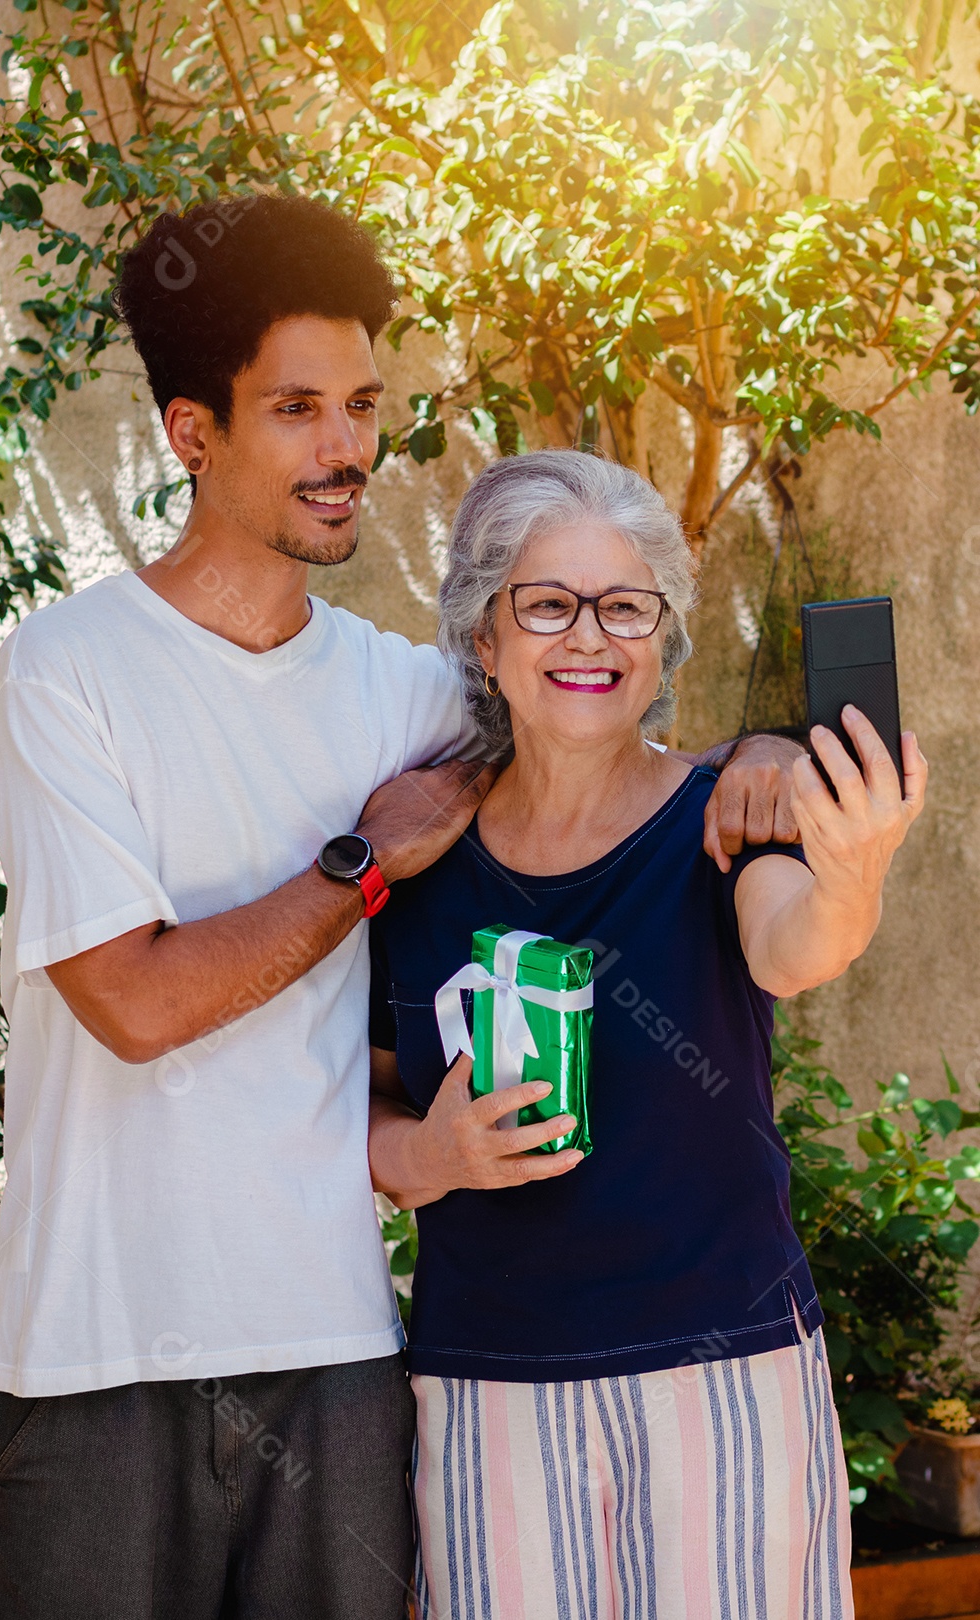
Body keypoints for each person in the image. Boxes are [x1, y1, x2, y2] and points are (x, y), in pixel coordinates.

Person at [0, 195, 803, 1620]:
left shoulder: (408, 696)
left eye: (360, 405)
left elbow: (603, 744)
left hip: (342, 1356)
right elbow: (137, 1002)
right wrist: (361, 865)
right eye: (295, 409)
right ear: (192, 430)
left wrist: (766, 757)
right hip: (100, 1357)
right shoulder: (66, 674)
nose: (346, 448)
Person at [368, 451, 926, 1620]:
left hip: (723, 1378)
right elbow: (362, 1100)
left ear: (662, 636)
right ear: (483, 635)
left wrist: (857, 864)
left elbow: (798, 946)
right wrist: (432, 1157)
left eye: (628, 606)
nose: (591, 639)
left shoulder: (727, 815)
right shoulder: (417, 860)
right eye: (548, 604)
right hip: (489, 1391)